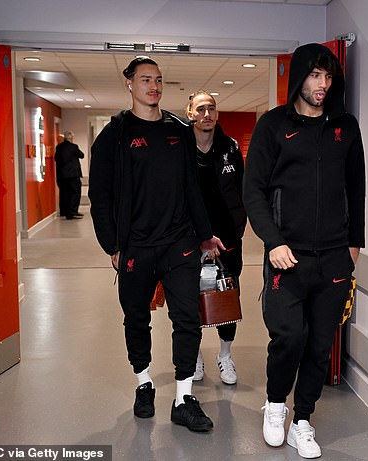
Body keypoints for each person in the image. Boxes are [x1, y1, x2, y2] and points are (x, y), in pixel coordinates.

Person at [243, 43, 365, 458]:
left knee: (319, 345)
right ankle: (275, 405)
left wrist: (354, 246)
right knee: (289, 337)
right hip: (286, 257)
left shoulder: (345, 128)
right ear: (300, 77)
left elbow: (357, 189)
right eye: (315, 75)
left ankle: (302, 421)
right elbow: (253, 191)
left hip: (334, 256)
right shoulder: (274, 126)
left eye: (328, 77)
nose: (323, 84)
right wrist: (273, 241)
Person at [88, 57, 223, 433]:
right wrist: (112, 246)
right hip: (136, 247)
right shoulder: (114, 136)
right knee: (137, 318)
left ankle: (183, 397)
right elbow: (100, 197)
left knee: (186, 318)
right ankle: (144, 382)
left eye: (159, 80)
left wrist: (204, 233)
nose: (154, 86)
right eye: (146, 79)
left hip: (179, 243)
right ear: (129, 83)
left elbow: (191, 188)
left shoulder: (179, 131)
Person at [185, 90, 246, 385]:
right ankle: (195, 355)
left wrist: (237, 228)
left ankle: (224, 356)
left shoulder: (230, 148)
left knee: (228, 297)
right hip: (189, 239)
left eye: (211, 108)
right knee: (188, 298)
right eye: (200, 109)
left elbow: (243, 192)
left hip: (228, 240)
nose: (206, 114)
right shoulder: (180, 148)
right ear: (190, 113)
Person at [54, 130, 84, 219]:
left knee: (64, 193)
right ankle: (72, 212)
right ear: (71, 138)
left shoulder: (59, 147)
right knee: (75, 193)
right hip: (73, 175)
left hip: (62, 176)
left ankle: (64, 211)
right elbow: (82, 155)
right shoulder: (74, 147)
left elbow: (56, 158)